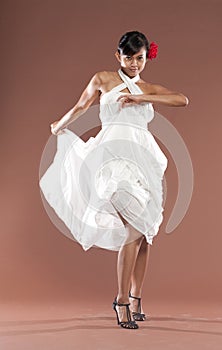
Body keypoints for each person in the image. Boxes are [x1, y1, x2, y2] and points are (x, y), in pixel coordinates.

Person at [39, 31, 189, 330]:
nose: (134, 64)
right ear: (118, 56)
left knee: (145, 232)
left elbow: (182, 99)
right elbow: (82, 106)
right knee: (133, 229)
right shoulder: (103, 79)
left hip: (142, 159)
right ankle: (121, 301)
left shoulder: (148, 87)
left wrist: (141, 96)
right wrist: (60, 124)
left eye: (140, 58)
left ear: (147, 58)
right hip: (110, 157)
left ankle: (136, 298)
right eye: (129, 58)